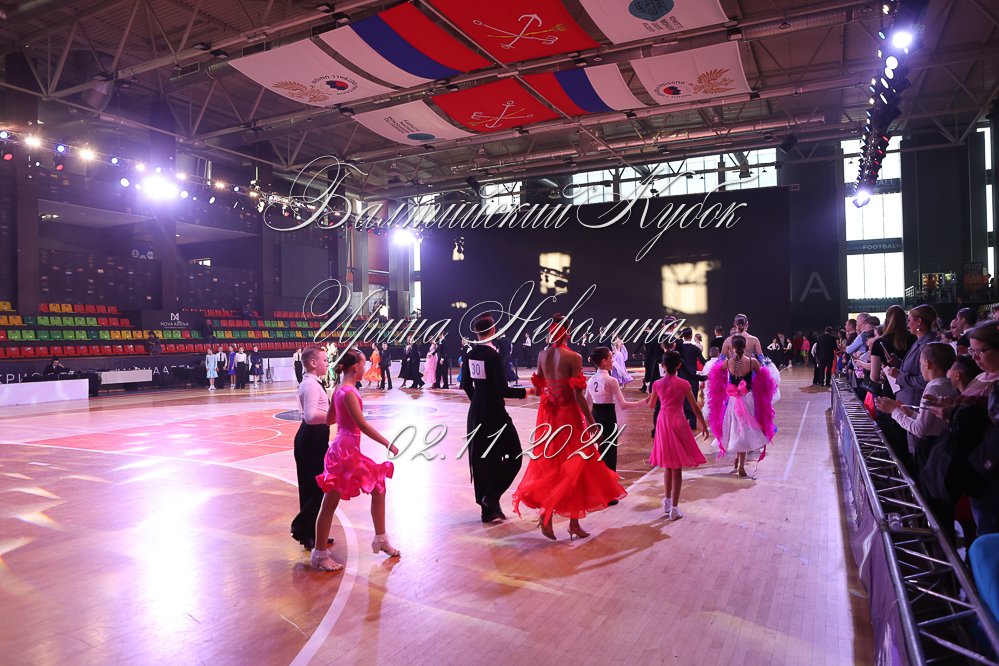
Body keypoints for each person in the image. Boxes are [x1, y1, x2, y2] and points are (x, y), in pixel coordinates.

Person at [512, 316, 627, 540]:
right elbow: (578, 395)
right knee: (577, 464)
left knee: (554, 465)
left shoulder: (542, 355)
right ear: (568, 332)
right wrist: (591, 422)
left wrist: (547, 394)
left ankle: (572, 522)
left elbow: (539, 390)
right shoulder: (574, 357)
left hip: (548, 415)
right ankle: (548, 513)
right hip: (568, 416)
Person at [311, 349, 400, 572]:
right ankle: (320, 554)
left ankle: (381, 539)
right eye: (363, 364)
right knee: (330, 503)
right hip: (345, 453)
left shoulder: (339, 390)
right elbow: (363, 426)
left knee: (378, 487)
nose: (365, 367)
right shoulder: (349, 392)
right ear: (355, 367)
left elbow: (330, 419)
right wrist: (388, 443)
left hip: (343, 449)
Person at [461, 315, 534, 523]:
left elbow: (466, 384)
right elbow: (503, 389)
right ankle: (491, 497)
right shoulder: (493, 356)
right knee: (515, 455)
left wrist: (478, 401)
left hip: (477, 412)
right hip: (495, 413)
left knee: (484, 459)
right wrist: (527, 391)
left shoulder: (471, 354)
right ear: (493, 331)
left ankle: (488, 509)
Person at [876, 343, 959, 476]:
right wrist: (908, 412)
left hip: (931, 448)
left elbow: (919, 430)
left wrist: (894, 412)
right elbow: (932, 423)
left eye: (920, 364)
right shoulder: (950, 385)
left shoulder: (933, 388)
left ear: (927, 364)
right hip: (942, 444)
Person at [648, 350, 709, 520]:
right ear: (679, 365)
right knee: (677, 467)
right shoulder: (684, 383)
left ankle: (668, 502)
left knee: (668, 464)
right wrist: (703, 425)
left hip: (663, 421)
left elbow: (651, 405)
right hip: (678, 420)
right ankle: (674, 508)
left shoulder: (657, 384)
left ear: (663, 365)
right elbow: (695, 407)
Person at [707, 335, 777, 477]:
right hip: (748, 399)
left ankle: (737, 459)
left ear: (732, 348)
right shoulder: (752, 362)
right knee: (744, 431)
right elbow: (765, 379)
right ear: (745, 347)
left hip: (733, 400)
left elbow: (716, 374)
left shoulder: (728, 363)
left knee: (736, 428)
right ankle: (741, 465)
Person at [290, 348, 335, 551]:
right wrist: (335, 416)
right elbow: (310, 416)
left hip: (314, 437)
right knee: (315, 488)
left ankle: (312, 533)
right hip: (310, 438)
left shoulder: (313, 383)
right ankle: (303, 529)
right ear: (314, 363)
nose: (327, 363)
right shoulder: (310, 385)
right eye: (324, 360)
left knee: (315, 487)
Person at [884, 304, 938, 467]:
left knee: (916, 452)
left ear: (919, 322)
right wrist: (899, 363)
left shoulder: (928, 345)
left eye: (910, 320)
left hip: (915, 402)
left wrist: (900, 376)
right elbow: (914, 369)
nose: (908, 324)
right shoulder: (919, 342)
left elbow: (924, 379)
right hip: (908, 400)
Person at [585, 347, 645, 475]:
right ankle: (610, 479)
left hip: (595, 415)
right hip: (608, 417)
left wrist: (588, 422)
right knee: (610, 450)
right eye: (610, 358)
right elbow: (623, 405)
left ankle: (599, 477)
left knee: (599, 449)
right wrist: (643, 402)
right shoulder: (611, 380)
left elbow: (586, 403)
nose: (613, 361)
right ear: (603, 362)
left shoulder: (591, 380)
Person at [677, 328, 707, 428]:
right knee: (693, 400)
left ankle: (683, 422)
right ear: (691, 336)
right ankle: (693, 424)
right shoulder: (695, 349)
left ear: (683, 336)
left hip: (681, 377)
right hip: (693, 378)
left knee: (682, 400)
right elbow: (703, 361)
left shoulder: (679, 348)